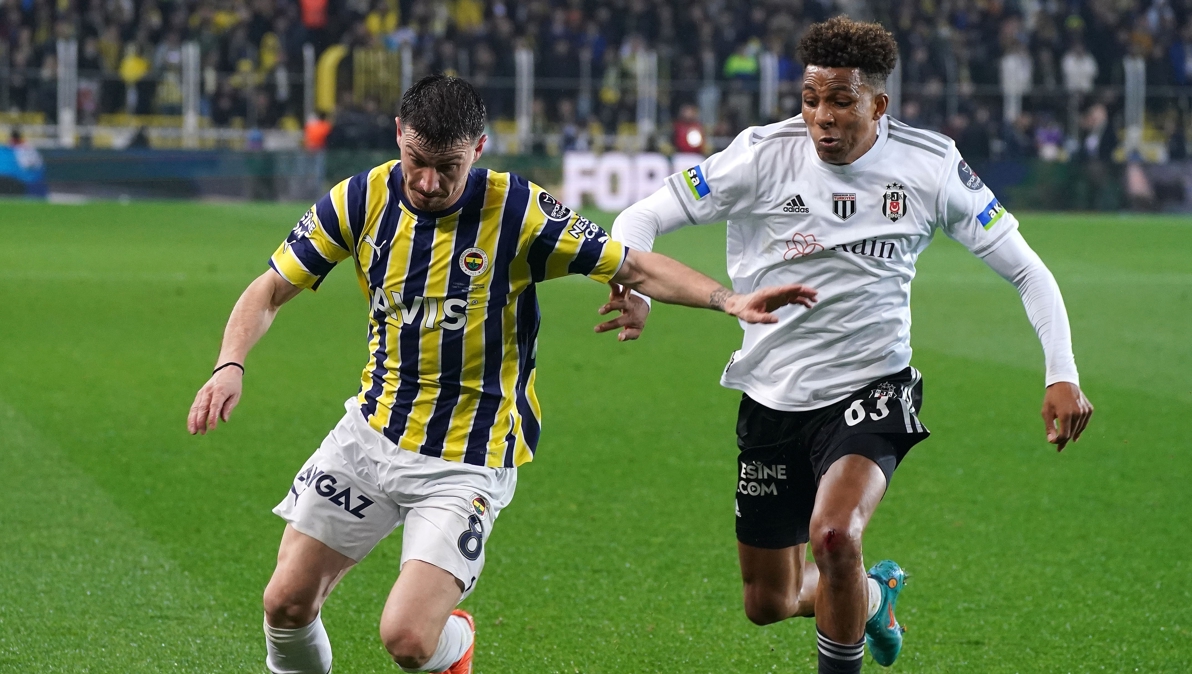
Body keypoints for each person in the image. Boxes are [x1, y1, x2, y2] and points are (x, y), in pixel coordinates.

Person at [185, 74, 815, 674]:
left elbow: (634, 266)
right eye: (416, 161)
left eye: (448, 167)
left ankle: (455, 643)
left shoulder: (518, 211)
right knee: (285, 603)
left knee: (408, 641)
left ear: (479, 150)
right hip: (370, 434)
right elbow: (269, 289)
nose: (428, 182)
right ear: (398, 133)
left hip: (467, 458)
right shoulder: (361, 198)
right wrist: (229, 364)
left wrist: (727, 300)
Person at [602, 17, 1093, 674]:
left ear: (878, 104)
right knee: (769, 602)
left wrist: (1061, 372)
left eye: (840, 101)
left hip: (874, 386)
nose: (822, 118)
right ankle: (874, 598)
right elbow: (640, 217)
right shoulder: (761, 156)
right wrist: (632, 285)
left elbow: (1027, 270)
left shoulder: (929, 165)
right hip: (773, 394)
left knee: (834, 536)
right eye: (811, 100)